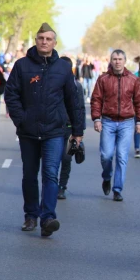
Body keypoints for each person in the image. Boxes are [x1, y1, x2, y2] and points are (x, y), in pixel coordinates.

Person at [4, 23, 85, 237]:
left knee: (50, 174)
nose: (44, 42)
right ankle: (31, 216)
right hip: (28, 131)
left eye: (48, 39)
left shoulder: (63, 68)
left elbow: (72, 100)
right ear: (36, 40)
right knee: (29, 175)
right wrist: (21, 120)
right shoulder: (22, 66)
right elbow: (11, 94)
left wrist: (78, 130)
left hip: (54, 132)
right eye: (41, 38)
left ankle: (48, 218)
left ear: (54, 43)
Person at [91, 49, 140, 202]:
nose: (117, 61)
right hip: (108, 121)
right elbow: (96, 99)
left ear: (125, 61)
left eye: (120, 59)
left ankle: (117, 189)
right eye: (114, 59)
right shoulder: (103, 79)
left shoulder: (133, 80)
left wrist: (139, 121)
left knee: (122, 156)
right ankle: (107, 177)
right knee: (106, 155)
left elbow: (139, 102)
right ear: (111, 61)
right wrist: (96, 119)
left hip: (127, 123)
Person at [57, 56, 86, 200]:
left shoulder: (77, 86)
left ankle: (62, 186)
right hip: (54, 128)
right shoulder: (52, 85)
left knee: (66, 158)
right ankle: (51, 185)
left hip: (69, 128)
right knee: (53, 159)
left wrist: (80, 132)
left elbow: (80, 108)